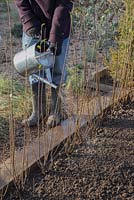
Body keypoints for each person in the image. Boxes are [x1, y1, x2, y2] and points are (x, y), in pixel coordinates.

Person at [14, 0, 73, 128]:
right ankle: (38, 112)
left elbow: (63, 4)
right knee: (34, 70)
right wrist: (29, 22)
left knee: (58, 69)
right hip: (33, 26)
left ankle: (56, 112)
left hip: (59, 25)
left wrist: (54, 35)